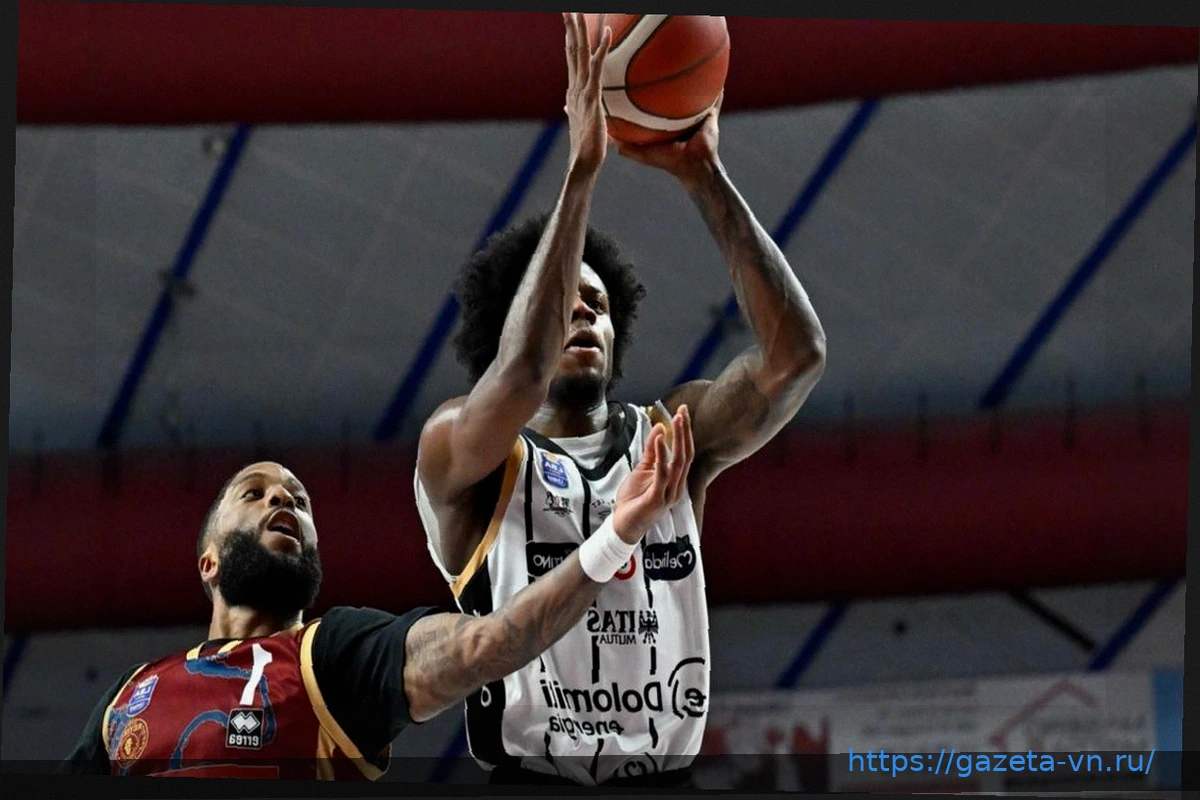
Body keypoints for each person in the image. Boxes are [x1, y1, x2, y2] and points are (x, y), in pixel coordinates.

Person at [414, 13, 827, 788]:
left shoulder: (674, 435)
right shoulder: (460, 448)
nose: (582, 312)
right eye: (565, 300)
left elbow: (795, 358)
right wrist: (581, 173)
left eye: (597, 305)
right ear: (517, 321)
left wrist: (704, 176)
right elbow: (523, 373)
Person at [60, 427, 692, 780]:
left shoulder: (332, 654)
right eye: (254, 493)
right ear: (209, 562)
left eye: (299, 501)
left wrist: (615, 537)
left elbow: (489, 641)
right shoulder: (131, 693)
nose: (283, 501)